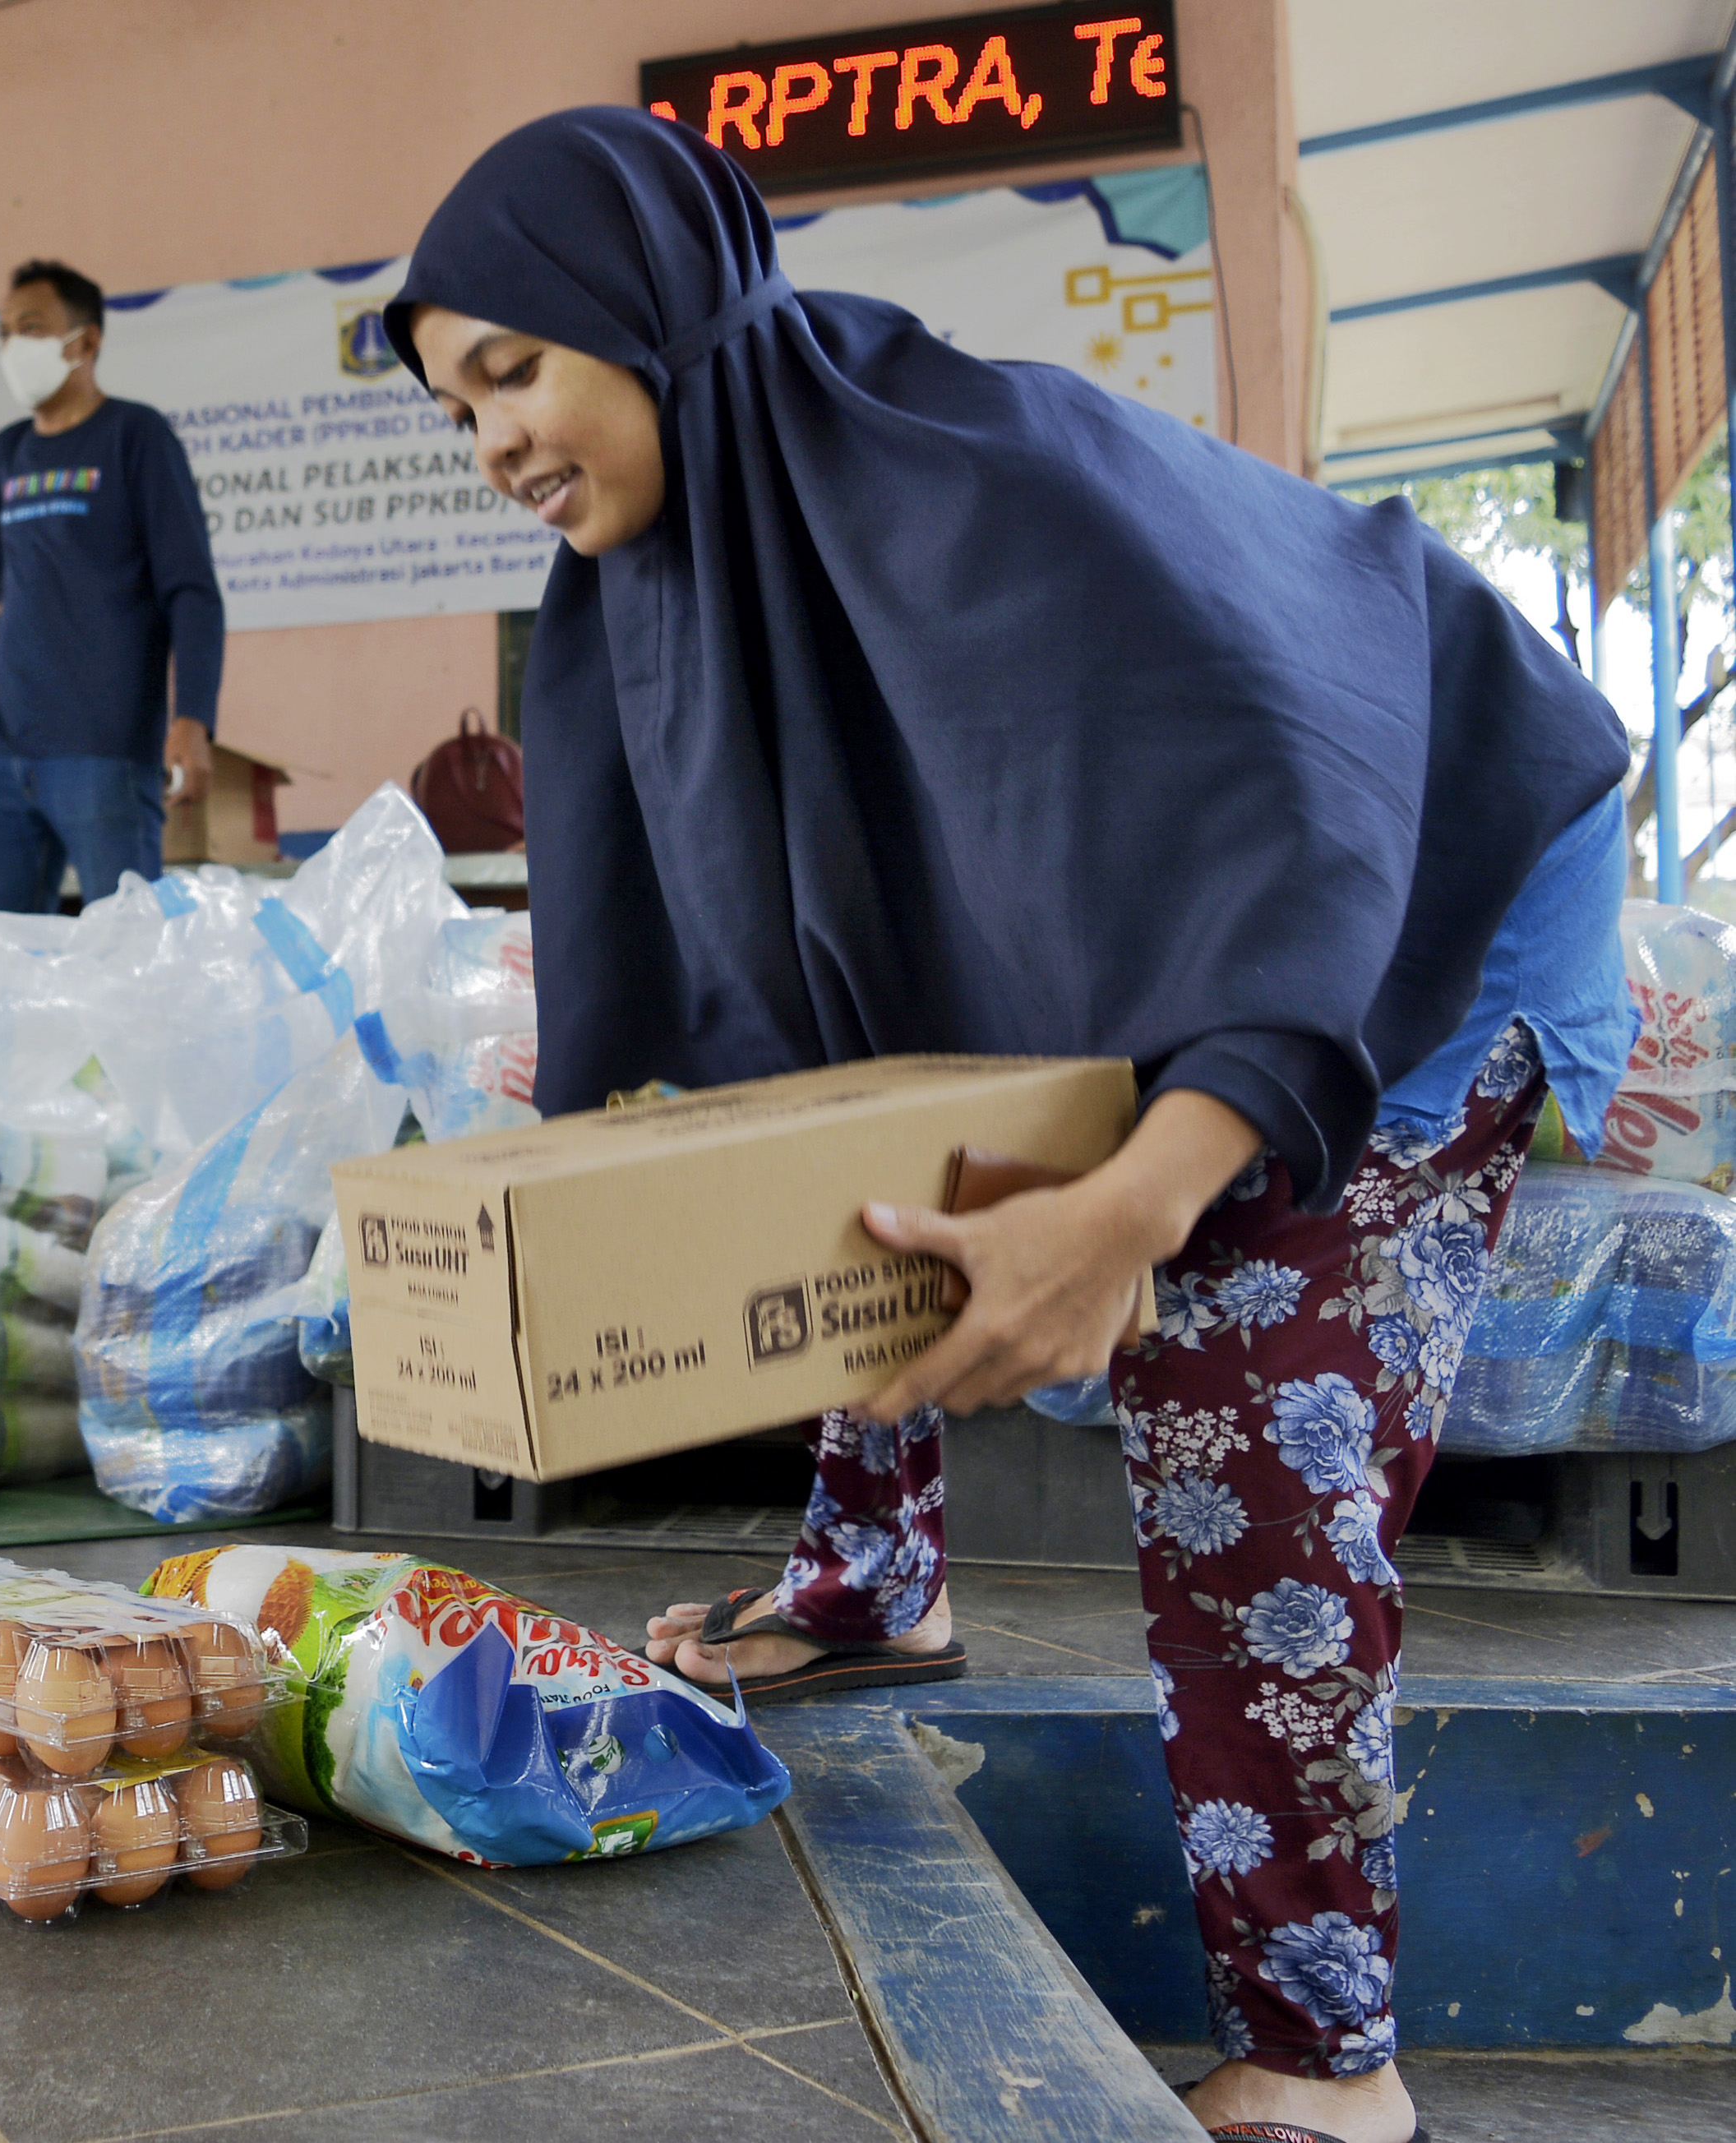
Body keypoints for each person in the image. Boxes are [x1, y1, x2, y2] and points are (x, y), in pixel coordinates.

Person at [386, 111, 1632, 2143]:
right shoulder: (667, 600)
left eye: (514, 368)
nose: (494, 443)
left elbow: (1288, 831)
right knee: (857, 1136)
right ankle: (874, 1583)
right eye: (456, 412)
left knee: (1239, 1386)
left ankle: (1328, 2058)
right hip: (1232, 884)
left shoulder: (977, 482)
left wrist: (1135, 1206)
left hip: (1421, 876)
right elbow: (790, 1050)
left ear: (644, 304)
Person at [0, 259, 224, 912]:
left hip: (104, 756)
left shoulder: (136, 437)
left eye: (30, 327)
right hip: (2, 757)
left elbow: (191, 589)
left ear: (84, 341)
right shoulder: (8, 453)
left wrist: (193, 719)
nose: (11, 346)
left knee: (128, 961)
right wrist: (8, 599)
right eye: (2, 332)